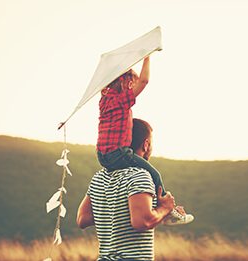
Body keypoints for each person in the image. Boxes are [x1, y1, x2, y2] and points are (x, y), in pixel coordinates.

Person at [77, 118, 194, 260]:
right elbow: (142, 222)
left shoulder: (99, 177)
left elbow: (83, 219)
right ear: (146, 145)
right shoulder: (139, 175)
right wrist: (164, 208)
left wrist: (116, 211)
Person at [96, 56, 192, 225]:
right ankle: (168, 211)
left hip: (101, 155)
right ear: (124, 82)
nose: (134, 87)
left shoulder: (104, 101)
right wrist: (146, 57)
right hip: (118, 153)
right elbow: (144, 81)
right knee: (154, 174)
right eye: (131, 84)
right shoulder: (121, 100)